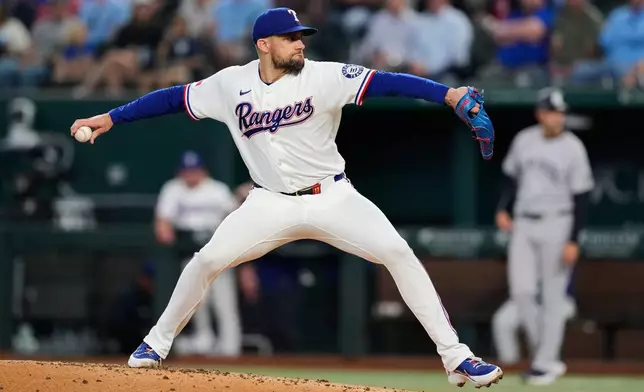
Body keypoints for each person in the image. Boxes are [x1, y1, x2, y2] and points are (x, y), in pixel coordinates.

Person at [69, 7, 501, 388]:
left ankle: (457, 358)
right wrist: (110, 117)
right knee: (206, 260)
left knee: (398, 252)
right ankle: (153, 345)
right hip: (269, 203)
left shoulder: (324, 76)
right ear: (263, 44)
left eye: (301, 37)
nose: (299, 44)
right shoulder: (230, 84)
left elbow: (387, 83)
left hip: (333, 197)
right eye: (291, 38)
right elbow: (171, 100)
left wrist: (448, 94)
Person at [494, 87, 594, 385]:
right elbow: (511, 177)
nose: (557, 117)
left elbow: (582, 197)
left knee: (553, 297)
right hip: (523, 222)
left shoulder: (573, 147)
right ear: (541, 113)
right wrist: (503, 208)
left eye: (561, 112)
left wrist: (574, 239)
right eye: (552, 112)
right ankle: (545, 357)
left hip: (558, 223)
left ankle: (544, 363)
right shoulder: (525, 140)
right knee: (522, 292)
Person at [154, 150, 251, 357]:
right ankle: (204, 341)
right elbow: (163, 224)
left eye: (194, 171)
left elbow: (234, 217)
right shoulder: (173, 189)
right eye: (187, 171)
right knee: (196, 302)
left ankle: (230, 348)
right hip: (190, 253)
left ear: (203, 171)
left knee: (224, 302)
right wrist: (166, 233)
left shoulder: (217, 190)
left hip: (218, 252)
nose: (191, 175)